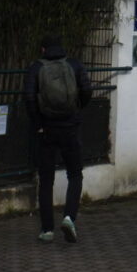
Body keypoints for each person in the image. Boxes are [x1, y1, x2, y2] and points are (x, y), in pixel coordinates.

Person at [24, 34, 92, 243]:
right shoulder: (74, 65)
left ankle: (47, 230)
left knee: (46, 180)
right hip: (71, 127)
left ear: (43, 50)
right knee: (75, 174)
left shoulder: (36, 68)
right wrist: (77, 110)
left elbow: (28, 98)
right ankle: (69, 218)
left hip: (47, 130)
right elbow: (87, 90)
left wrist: (39, 125)